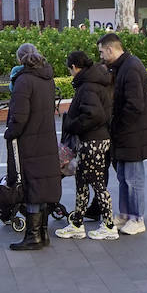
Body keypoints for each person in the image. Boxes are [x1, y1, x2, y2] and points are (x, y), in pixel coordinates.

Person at [99, 34, 147, 235]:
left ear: (110, 49)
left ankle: (137, 218)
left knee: (133, 178)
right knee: (124, 177)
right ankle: (126, 214)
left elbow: (134, 105)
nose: (100, 56)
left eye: (101, 51)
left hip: (133, 133)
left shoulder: (132, 67)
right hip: (125, 133)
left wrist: (118, 125)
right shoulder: (122, 67)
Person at [5, 44, 61, 251]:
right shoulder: (47, 78)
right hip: (45, 138)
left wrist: (10, 132)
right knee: (42, 184)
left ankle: (33, 237)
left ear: (19, 59)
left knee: (32, 186)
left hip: (29, 141)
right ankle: (43, 233)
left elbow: (19, 116)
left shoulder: (23, 81)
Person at [56, 51, 116, 240]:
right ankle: (77, 223)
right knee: (81, 181)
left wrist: (72, 125)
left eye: (70, 70)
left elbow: (93, 114)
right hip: (94, 140)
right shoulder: (93, 82)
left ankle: (109, 225)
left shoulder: (88, 86)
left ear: (74, 67)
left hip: (93, 141)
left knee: (97, 183)